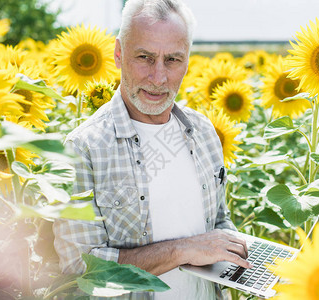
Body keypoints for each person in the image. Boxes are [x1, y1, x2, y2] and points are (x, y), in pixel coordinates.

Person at [53, 0, 252, 299]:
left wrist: (238, 250)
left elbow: (217, 220)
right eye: (145, 57)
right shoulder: (84, 149)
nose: (158, 77)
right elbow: (80, 268)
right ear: (119, 54)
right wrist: (182, 250)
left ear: (187, 61)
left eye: (172, 60)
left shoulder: (204, 133)